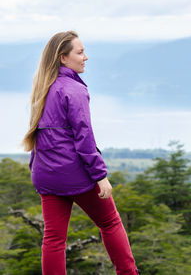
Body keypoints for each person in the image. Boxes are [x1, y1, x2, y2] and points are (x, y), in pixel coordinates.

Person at [22, 31, 140, 275]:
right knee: (110, 222)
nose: (86, 57)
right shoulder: (73, 90)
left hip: (46, 174)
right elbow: (84, 139)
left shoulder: (43, 88)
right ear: (63, 58)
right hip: (75, 174)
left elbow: (41, 136)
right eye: (80, 52)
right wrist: (100, 175)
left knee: (53, 239)